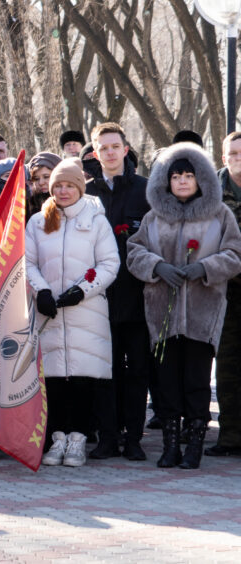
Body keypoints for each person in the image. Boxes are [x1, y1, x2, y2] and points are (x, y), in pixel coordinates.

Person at [127, 143, 241, 470]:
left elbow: (235, 254)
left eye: (188, 175)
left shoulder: (220, 214)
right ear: (166, 180)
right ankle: (170, 445)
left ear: (200, 178)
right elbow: (134, 252)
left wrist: (204, 268)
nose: (182, 182)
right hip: (162, 313)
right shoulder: (153, 216)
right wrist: (157, 266)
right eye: (176, 176)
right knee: (166, 381)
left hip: (202, 315)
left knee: (196, 381)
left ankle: (193, 445)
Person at [26, 159, 119, 468]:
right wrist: (40, 291)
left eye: (69, 185)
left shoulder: (96, 221)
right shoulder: (38, 222)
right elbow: (27, 263)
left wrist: (82, 289)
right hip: (49, 314)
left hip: (86, 312)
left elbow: (109, 263)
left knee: (81, 378)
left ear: (80, 187)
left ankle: (78, 440)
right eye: (57, 186)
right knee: (54, 379)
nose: (63, 191)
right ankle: (56, 438)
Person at [84, 122, 151, 460]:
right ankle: (107, 436)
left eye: (115, 147)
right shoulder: (86, 193)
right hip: (98, 299)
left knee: (137, 370)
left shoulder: (147, 190)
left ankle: (134, 437)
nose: (109, 153)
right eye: (103, 148)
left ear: (126, 150)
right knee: (104, 370)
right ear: (95, 154)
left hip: (138, 297)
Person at [209, 131, 241, 457]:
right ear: (223, 157)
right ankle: (230, 435)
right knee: (228, 363)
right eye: (232, 153)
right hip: (225, 291)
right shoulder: (211, 193)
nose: (237, 158)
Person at [27, 152, 60, 217]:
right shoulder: (27, 208)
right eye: (36, 179)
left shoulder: (72, 203)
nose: (41, 183)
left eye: (46, 177)